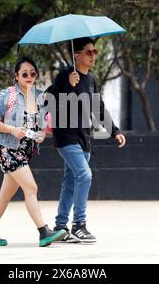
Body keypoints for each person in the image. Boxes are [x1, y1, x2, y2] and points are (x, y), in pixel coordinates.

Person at [0, 56, 66, 247]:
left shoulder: (39, 96)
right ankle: (44, 232)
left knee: (5, 194)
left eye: (32, 73)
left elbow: (42, 123)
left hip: (25, 151)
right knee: (31, 188)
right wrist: (11, 130)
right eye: (24, 73)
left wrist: (42, 134)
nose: (29, 76)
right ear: (16, 75)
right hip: (8, 149)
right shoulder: (8, 95)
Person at [47, 37, 127, 243]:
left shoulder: (90, 80)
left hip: (84, 137)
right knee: (85, 175)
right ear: (77, 54)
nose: (93, 56)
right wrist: (67, 86)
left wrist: (114, 131)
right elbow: (49, 102)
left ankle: (60, 226)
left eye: (95, 52)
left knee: (71, 181)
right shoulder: (65, 76)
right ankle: (79, 225)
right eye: (89, 52)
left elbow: (98, 108)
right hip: (65, 137)